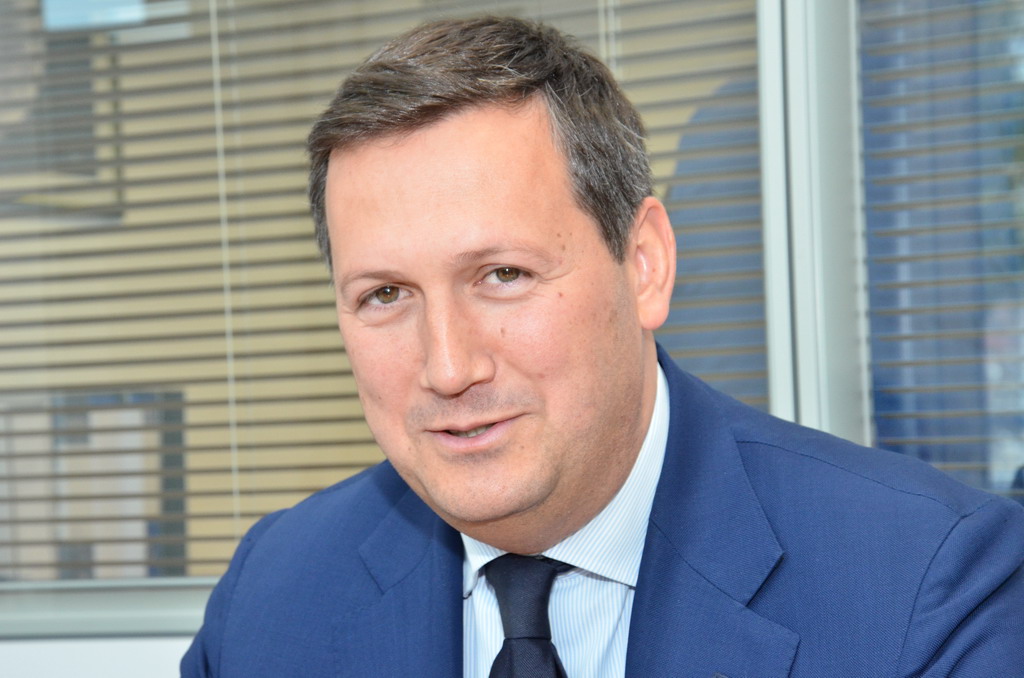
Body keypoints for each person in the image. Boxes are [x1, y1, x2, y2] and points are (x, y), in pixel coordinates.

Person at [181, 16, 1024, 678]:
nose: (448, 367)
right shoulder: (272, 599)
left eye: (503, 274)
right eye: (386, 295)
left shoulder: (925, 588)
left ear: (644, 264)